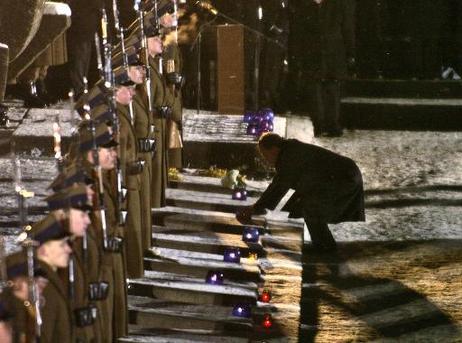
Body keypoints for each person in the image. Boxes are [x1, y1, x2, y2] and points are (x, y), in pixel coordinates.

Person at [236, 133, 365, 251]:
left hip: (345, 178)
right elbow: (280, 183)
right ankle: (321, 244)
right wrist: (259, 207)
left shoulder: (290, 156)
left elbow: (279, 186)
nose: (265, 159)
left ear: (274, 149)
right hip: (344, 175)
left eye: (265, 155)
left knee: (311, 206)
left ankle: (326, 247)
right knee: (307, 205)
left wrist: (255, 208)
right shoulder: (289, 151)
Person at [288, 0, 355, 137]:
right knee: (329, 88)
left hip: (316, 50)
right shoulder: (336, 4)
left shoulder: (306, 6)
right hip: (331, 50)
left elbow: (297, 31)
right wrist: (351, 52)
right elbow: (347, 28)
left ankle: (321, 125)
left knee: (317, 88)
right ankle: (330, 125)